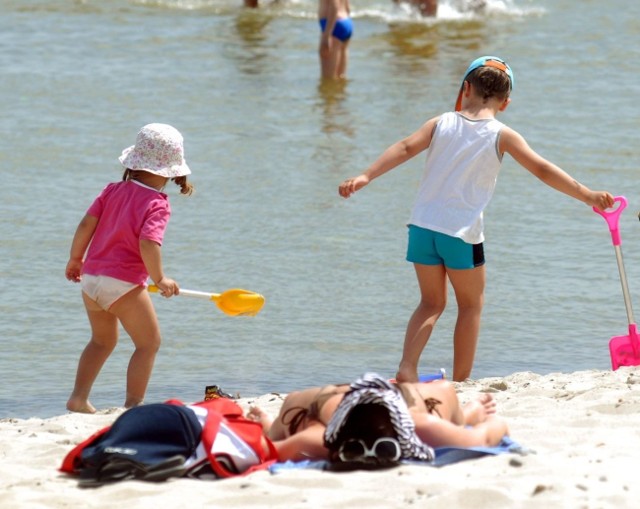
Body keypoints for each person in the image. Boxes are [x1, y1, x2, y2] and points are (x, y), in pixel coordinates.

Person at [338, 56, 615, 383]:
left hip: (422, 227)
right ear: (506, 103)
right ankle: (461, 381)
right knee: (470, 306)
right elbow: (542, 170)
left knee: (430, 303)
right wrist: (588, 195)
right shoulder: (502, 134)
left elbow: (404, 147)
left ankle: (407, 367)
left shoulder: (440, 122)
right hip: (461, 234)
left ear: (465, 88)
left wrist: (366, 175)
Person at [65, 123, 195, 414]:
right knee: (148, 344)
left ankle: (78, 397)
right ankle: (133, 404)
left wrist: (75, 258)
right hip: (122, 283)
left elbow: (86, 223)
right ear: (172, 170)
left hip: (91, 279)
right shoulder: (157, 203)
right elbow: (149, 243)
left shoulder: (112, 190)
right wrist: (160, 278)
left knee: (101, 341)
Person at [248, 373, 508, 462]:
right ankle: (270, 421)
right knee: (288, 418)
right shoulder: (317, 436)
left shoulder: (418, 423)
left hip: (398, 401)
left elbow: (487, 435)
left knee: (445, 395)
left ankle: (469, 410)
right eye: (352, 451)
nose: (369, 457)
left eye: (385, 449)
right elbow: (267, 447)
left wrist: (488, 422)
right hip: (323, 403)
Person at [318, 0, 353, 80]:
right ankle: (339, 92)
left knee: (328, 79)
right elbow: (348, 8)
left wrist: (327, 36)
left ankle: (330, 92)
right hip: (345, 21)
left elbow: (335, 6)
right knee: (341, 77)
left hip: (333, 26)